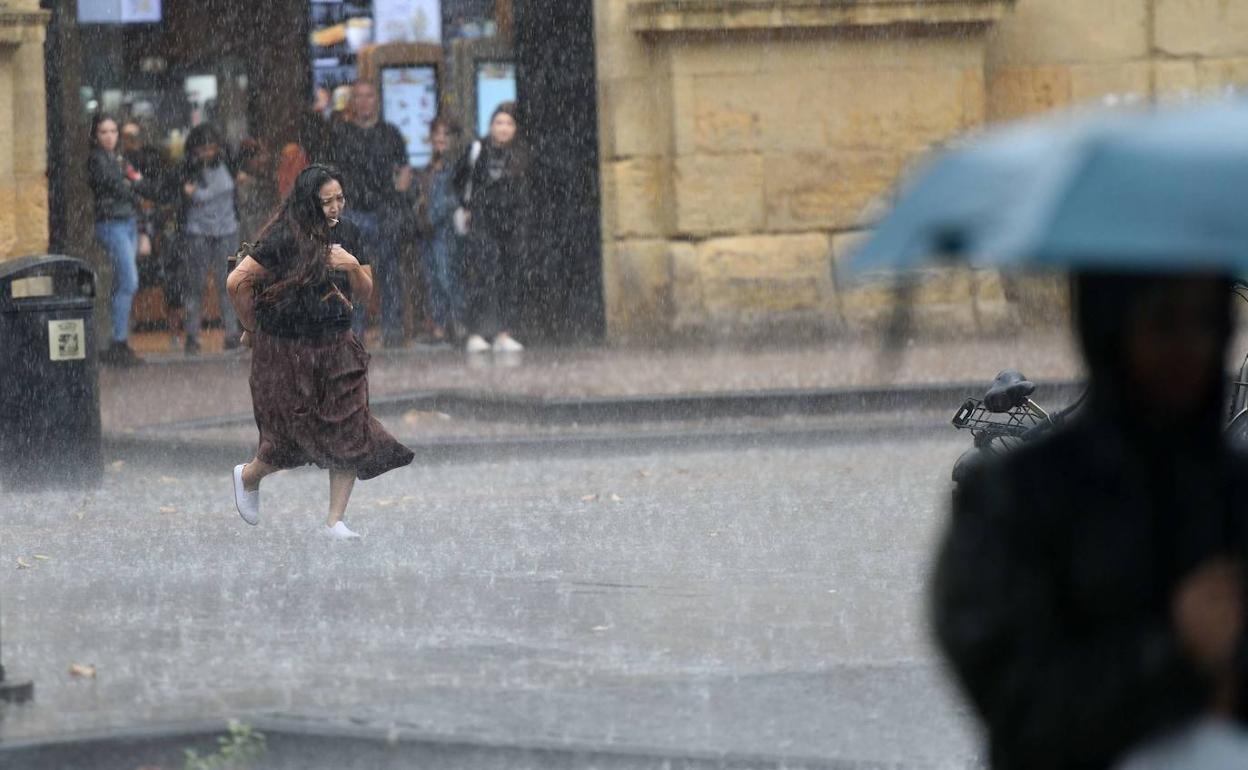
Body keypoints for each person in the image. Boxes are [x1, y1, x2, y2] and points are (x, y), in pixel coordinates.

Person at [932, 271, 1248, 770]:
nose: (1189, 347)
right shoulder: (1014, 498)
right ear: (1109, 328)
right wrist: (1173, 646)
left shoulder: (1232, 489)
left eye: (1209, 324)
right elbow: (1023, 707)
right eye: (1163, 323)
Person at [226, 164, 414, 539]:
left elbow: (364, 294)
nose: (335, 208)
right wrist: (251, 330)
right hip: (288, 348)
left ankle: (335, 521)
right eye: (326, 201)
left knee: (349, 424)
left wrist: (351, 267)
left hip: (338, 343)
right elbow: (237, 282)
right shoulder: (284, 238)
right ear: (308, 202)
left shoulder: (350, 234)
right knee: (289, 437)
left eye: (339, 199)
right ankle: (248, 476)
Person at [327, 80, 412, 347]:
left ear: (377, 100)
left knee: (389, 274)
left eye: (369, 96)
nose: (364, 102)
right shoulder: (341, 134)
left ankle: (392, 331)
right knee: (355, 275)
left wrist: (397, 197)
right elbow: (331, 173)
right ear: (353, 102)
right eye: (359, 97)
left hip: (384, 210)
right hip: (353, 212)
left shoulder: (390, 133)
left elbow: (404, 169)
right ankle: (355, 331)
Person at [457, 102, 529, 354]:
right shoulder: (477, 150)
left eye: (509, 123)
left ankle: (504, 332)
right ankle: (477, 332)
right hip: (483, 223)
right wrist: (467, 207)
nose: (503, 128)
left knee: (509, 278)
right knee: (485, 276)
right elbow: (460, 181)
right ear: (490, 126)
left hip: (511, 225)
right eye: (499, 122)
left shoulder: (521, 154)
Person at [88, 112, 159, 366]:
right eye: (103, 132)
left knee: (123, 283)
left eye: (113, 131)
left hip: (128, 223)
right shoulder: (97, 160)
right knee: (128, 281)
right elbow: (116, 186)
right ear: (96, 135)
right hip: (111, 224)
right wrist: (131, 187)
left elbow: (143, 187)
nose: (109, 136)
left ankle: (119, 340)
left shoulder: (119, 159)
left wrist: (143, 230)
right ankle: (117, 340)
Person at [175, 123, 243, 355]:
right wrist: (186, 194)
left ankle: (232, 333)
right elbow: (180, 197)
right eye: (202, 150)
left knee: (228, 283)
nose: (206, 154)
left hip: (227, 228)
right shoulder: (188, 169)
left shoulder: (228, 162)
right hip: (198, 231)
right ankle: (192, 335)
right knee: (196, 284)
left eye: (210, 148)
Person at [417, 117, 466, 343]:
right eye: (436, 133)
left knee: (448, 278)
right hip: (428, 231)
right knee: (433, 279)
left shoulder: (457, 166)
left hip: (446, 231)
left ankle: (457, 324)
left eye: (445, 134)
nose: (440, 138)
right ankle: (439, 326)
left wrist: (433, 216)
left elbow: (455, 198)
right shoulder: (429, 167)